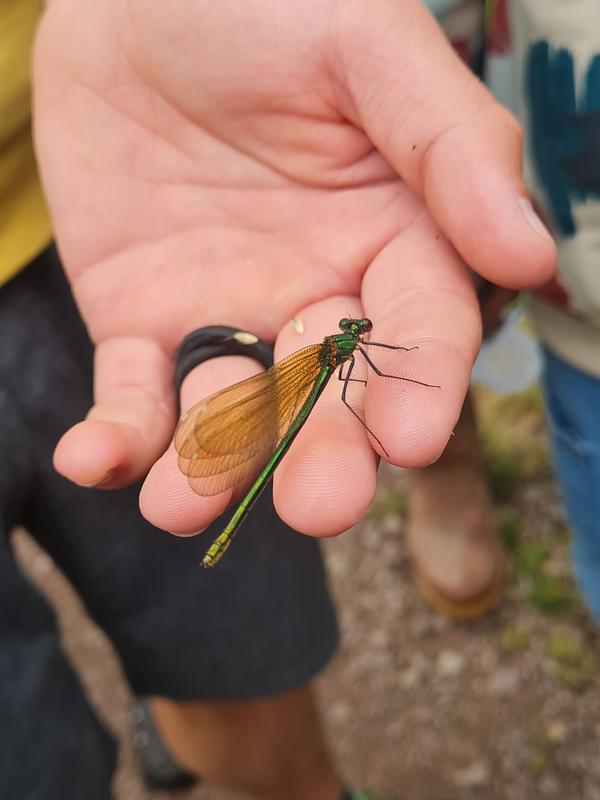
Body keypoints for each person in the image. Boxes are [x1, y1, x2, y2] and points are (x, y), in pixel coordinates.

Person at [1, 1, 555, 798]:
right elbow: (363, 369)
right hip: (85, 199)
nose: (360, 332)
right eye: (358, 333)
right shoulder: (339, 349)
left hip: (78, 125)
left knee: (238, 645)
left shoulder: (338, 345)